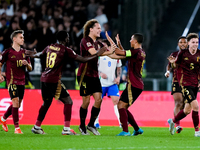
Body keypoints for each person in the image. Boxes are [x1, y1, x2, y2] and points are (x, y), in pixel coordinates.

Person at [26, 30, 106, 135]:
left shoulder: (49, 46)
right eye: (67, 37)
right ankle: (66, 129)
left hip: (44, 78)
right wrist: (97, 54)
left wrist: (32, 54)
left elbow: (39, 54)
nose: (68, 39)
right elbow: (82, 59)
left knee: (46, 102)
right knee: (68, 101)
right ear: (65, 39)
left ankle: (37, 126)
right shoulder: (65, 50)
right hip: (54, 80)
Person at [77, 19, 114, 135]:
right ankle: (82, 126)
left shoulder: (98, 43)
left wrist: (113, 48)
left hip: (94, 75)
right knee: (86, 101)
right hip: (84, 75)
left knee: (99, 99)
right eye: (98, 28)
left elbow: (109, 52)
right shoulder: (85, 40)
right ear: (91, 29)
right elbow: (93, 53)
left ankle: (91, 124)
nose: (100, 30)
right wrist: (106, 51)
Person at [106, 32, 145, 136]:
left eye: (131, 39)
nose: (130, 41)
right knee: (123, 106)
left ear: (135, 41)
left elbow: (119, 52)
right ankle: (137, 129)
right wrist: (118, 43)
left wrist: (111, 42)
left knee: (121, 106)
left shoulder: (135, 52)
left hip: (134, 84)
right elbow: (124, 52)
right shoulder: (139, 52)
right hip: (136, 84)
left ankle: (125, 131)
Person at [167, 33, 200, 137]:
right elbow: (175, 65)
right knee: (196, 106)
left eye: (196, 42)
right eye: (193, 42)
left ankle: (172, 121)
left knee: (187, 110)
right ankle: (197, 131)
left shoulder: (199, 54)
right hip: (185, 83)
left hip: (195, 84)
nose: (195, 44)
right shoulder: (182, 54)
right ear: (189, 43)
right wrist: (172, 63)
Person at [0, 30, 32, 134]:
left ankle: (3, 118)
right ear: (14, 39)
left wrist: (27, 64)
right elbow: (0, 63)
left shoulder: (25, 52)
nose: (23, 39)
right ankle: (17, 128)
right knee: (15, 102)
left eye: (23, 37)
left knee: (17, 104)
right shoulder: (7, 52)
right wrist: (0, 75)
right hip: (12, 81)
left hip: (22, 81)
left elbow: (30, 68)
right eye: (21, 37)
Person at [94, 39, 122, 128]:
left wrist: (118, 77)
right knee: (98, 102)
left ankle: (121, 122)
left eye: (106, 46)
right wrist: (100, 73)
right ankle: (96, 122)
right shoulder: (99, 56)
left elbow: (119, 68)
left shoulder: (115, 57)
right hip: (100, 83)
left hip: (112, 83)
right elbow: (94, 68)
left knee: (116, 102)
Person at [164, 36, 187, 133]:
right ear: (178, 44)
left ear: (187, 44)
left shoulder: (191, 55)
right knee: (178, 103)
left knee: (185, 107)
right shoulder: (174, 54)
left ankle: (172, 121)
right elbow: (169, 65)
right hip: (176, 82)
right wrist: (167, 72)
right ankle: (177, 125)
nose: (182, 44)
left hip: (188, 83)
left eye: (184, 42)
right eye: (180, 42)